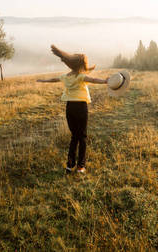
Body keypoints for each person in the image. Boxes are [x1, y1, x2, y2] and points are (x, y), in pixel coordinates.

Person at [37, 45, 108, 174]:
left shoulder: (66, 76)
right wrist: (105, 81)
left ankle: (69, 166)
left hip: (70, 107)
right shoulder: (81, 77)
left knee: (74, 137)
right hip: (81, 107)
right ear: (81, 65)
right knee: (83, 137)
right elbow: (93, 79)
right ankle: (81, 167)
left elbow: (54, 79)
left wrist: (43, 80)